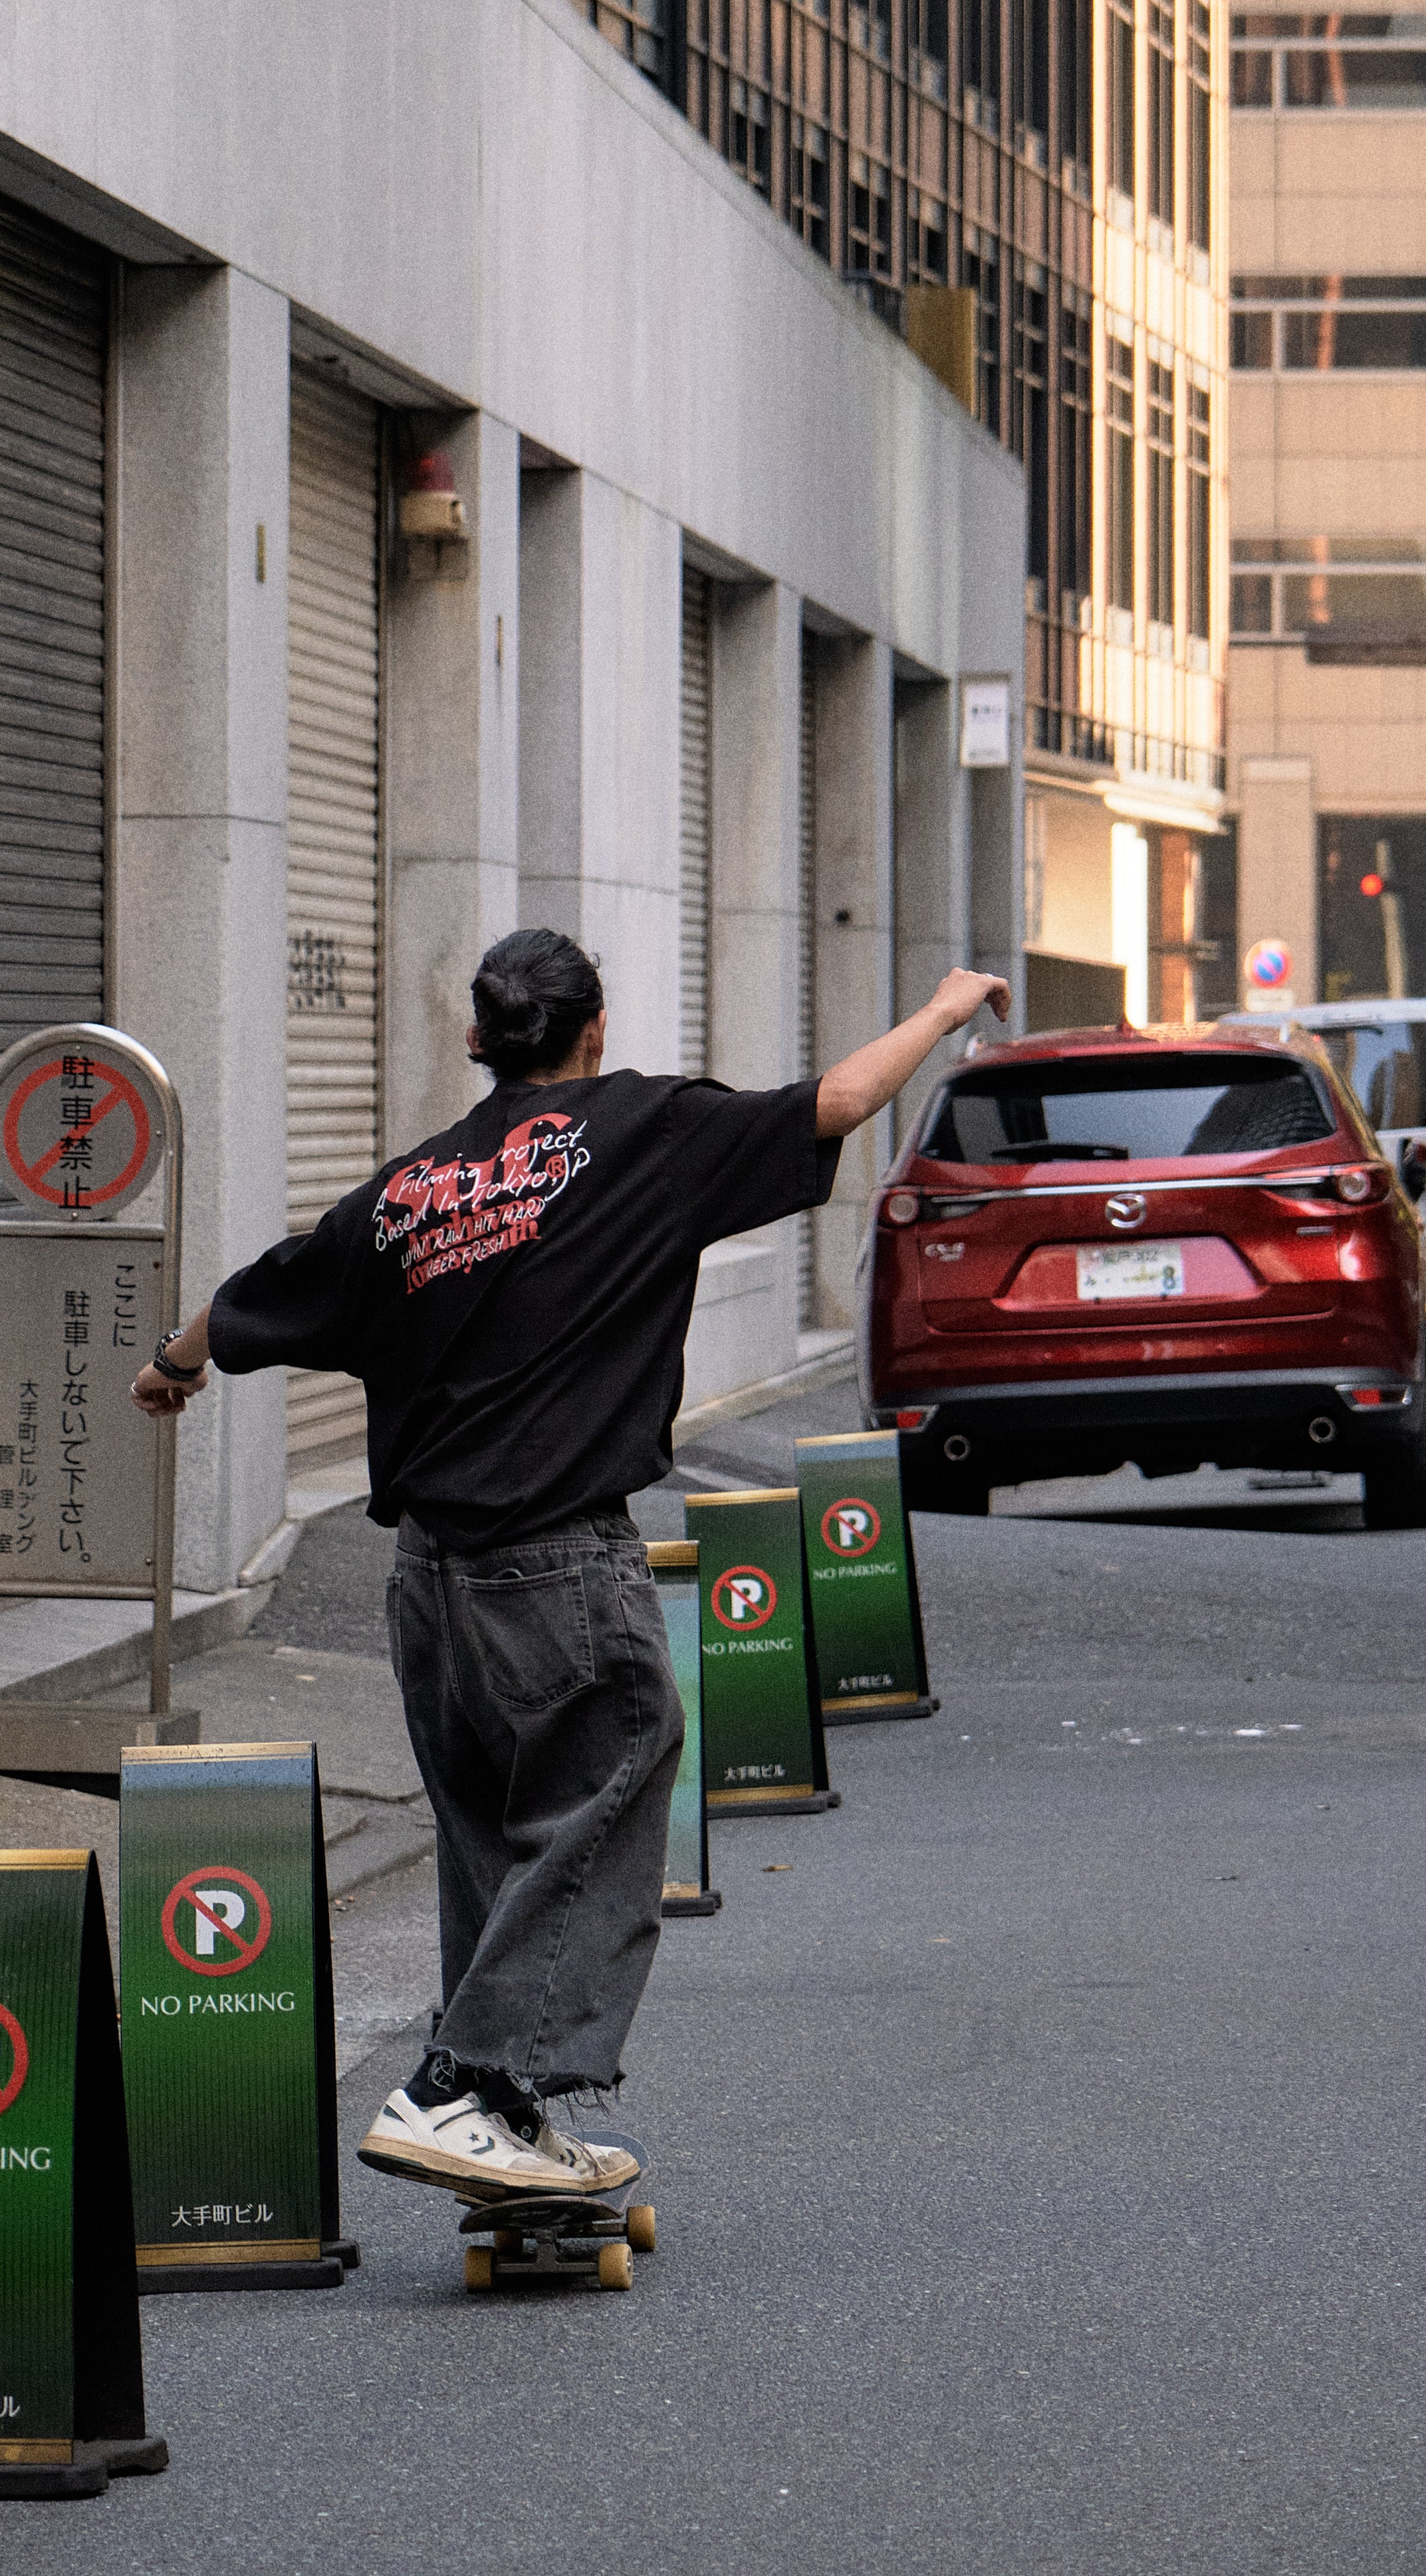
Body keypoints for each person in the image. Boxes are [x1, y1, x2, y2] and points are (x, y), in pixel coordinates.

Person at [133, 928, 1010, 2202]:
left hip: (430, 1578)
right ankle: (458, 2084)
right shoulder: (649, 1132)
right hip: (556, 1564)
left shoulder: (409, 1191)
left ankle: (501, 2109)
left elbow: (257, 1289)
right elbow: (842, 1100)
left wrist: (172, 1362)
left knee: (496, 1838)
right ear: (595, 1030)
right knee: (617, 1774)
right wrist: (941, 1007)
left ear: (480, 1045)